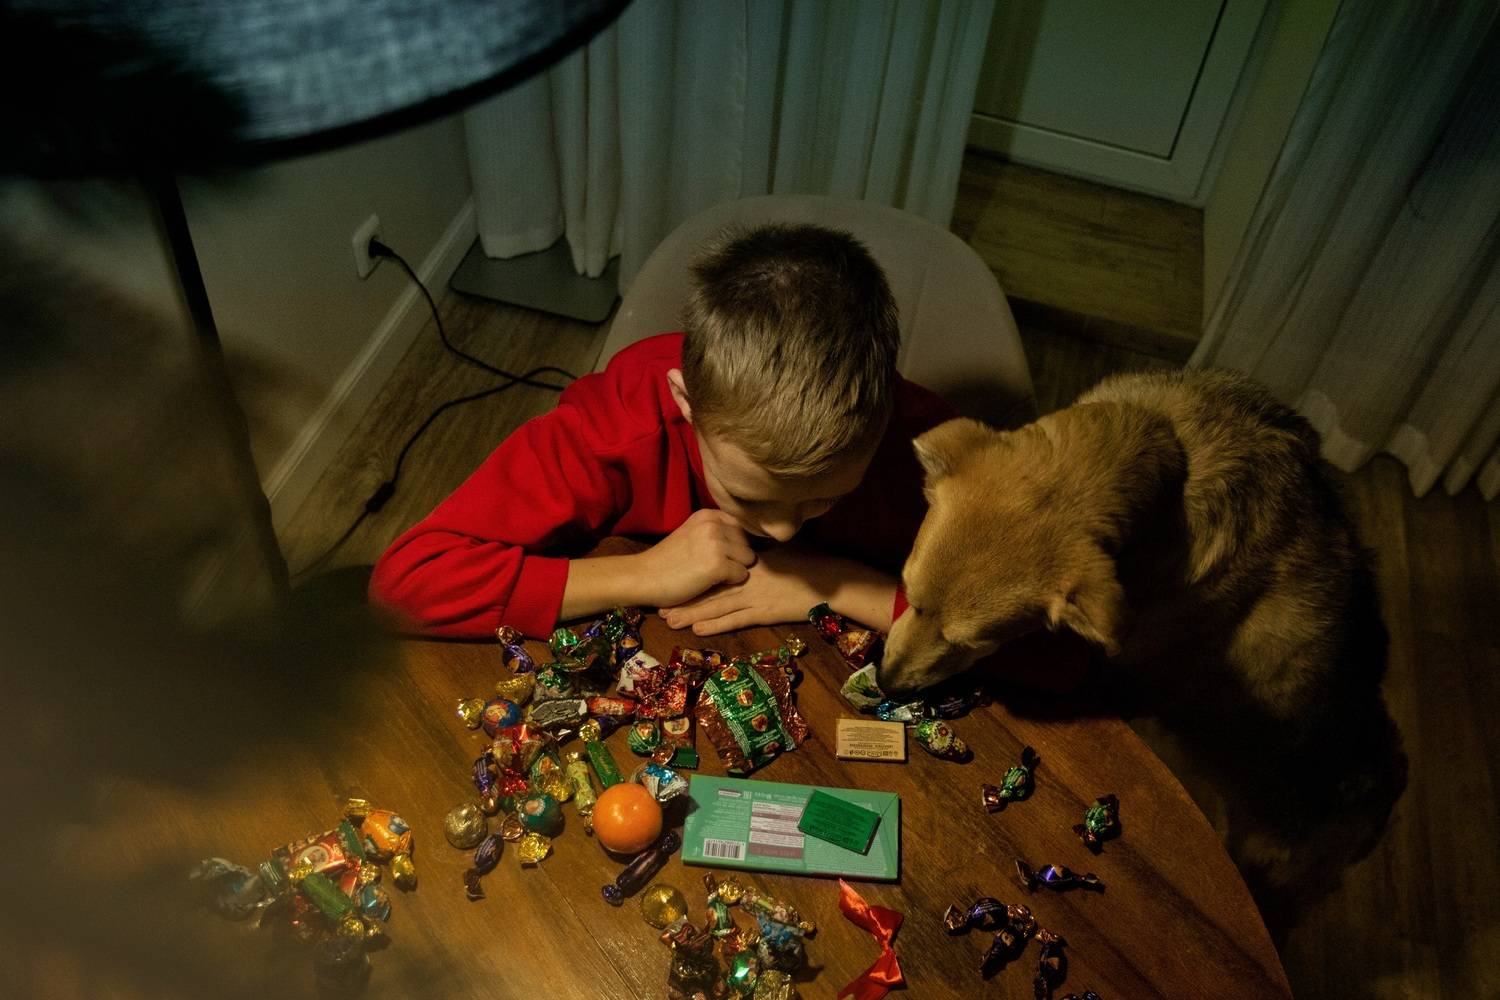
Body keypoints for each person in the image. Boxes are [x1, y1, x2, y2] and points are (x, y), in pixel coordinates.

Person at [369, 223, 957, 639]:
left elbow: (1018, 644)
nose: (781, 532)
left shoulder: (933, 448)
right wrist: (642, 574)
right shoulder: (619, 424)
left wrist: (837, 584)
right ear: (686, 402)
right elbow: (405, 586)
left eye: (825, 496)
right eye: (750, 497)